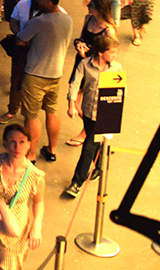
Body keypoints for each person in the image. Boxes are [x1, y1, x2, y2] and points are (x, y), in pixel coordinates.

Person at [16, 0, 75, 163]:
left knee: (31, 116)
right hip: (55, 74)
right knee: (52, 111)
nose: (36, 0)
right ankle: (52, 149)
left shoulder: (40, 21)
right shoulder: (67, 20)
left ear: (48, 2)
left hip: (35, 74)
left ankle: (31, 154)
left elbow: (20, 40)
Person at [63, 35, 123, 198]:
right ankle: (101, 166)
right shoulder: (84, 65)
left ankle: (76, 182)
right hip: (88, 112)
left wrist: (113, 115)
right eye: (112, 52)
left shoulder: (116, 68)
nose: (114, 55)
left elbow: (119, 91)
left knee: (89, 146)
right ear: (101, 53)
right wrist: (71, 105)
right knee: (94, 141)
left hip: (104, 113)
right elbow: (75, 84)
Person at [0, 125, 45, 270]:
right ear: (5, 143)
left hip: (16, 228)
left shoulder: (35, 175)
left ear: (29, 144)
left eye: (22, 142)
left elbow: (39, 201)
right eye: (12, 142)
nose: (17, 147)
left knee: (9, 266)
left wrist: (37, 225)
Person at [0, 0, 52, 126]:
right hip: (21, 51)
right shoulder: (22, 4)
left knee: (35, 84)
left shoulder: (55, 13)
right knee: (16, 80)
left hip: (40, 54)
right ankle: (12, 110)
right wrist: (20, 35)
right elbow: (13, 21)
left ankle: (32, 114)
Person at [66, 0, 116, 147]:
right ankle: (90, 129)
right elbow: (81, 38)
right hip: (81, 63)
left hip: (95, 68)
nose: (88, 6)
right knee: (75, 100)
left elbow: (110, 54)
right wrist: (79, 45)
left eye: (92, 5)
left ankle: (88, 130)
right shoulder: (88, 19)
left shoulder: (108, 30)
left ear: (100, 9)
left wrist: (87, 54)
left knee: (83, 103)